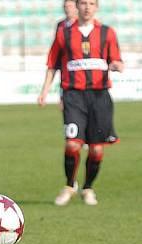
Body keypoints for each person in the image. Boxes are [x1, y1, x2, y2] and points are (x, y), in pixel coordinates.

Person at [37, 0, 123, 206]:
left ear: (97, 7)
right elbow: (53, 64)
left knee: (96, 149)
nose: (87, 7)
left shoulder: (107, 32)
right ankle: (69, 185)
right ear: (77, 6)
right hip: (73, 96)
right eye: (83, 3)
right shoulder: (64, 33)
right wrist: (45, 91)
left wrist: (117, 65)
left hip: (100, 96)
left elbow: (117, 59)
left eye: (91, 3)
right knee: (72, 143)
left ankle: (88, 188)